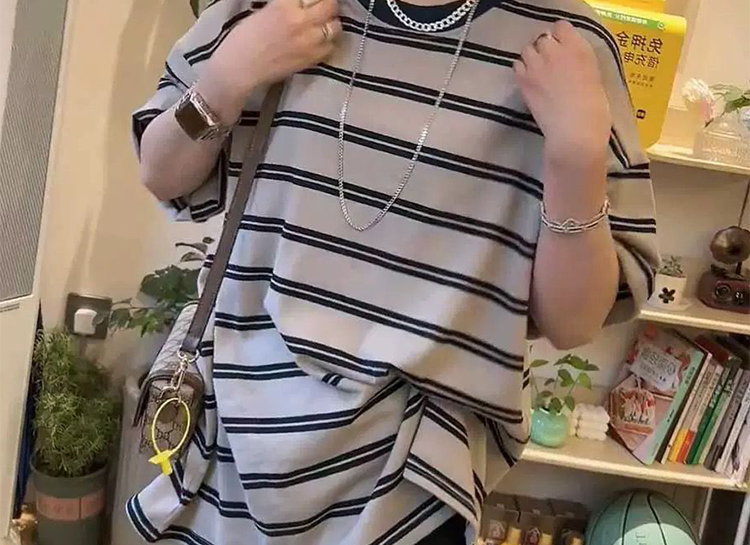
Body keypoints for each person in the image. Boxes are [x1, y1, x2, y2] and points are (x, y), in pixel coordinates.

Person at [128, 0, 659, 541]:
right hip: (235, 438)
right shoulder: (277, 6)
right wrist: (226, 77)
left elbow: (573, 322)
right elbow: (161, 173)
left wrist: (576, 157)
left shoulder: (565, 44)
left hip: (415, 477)